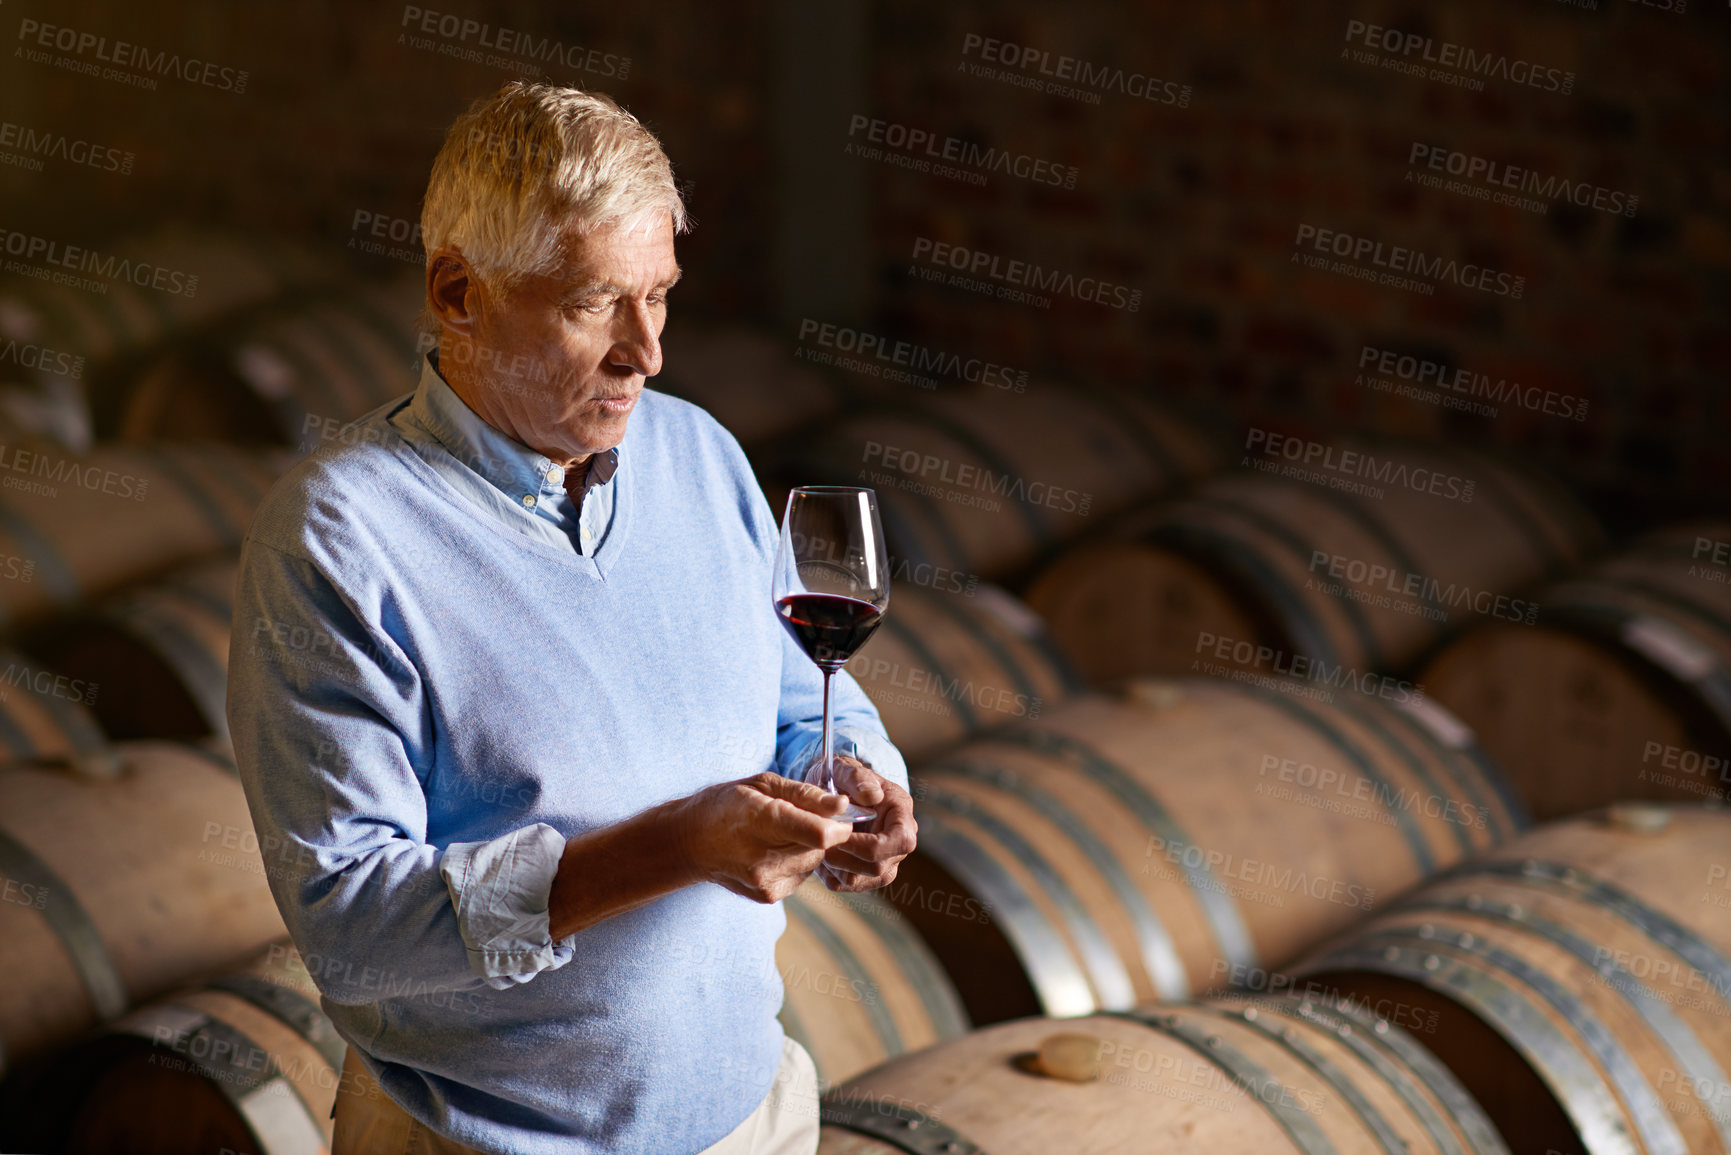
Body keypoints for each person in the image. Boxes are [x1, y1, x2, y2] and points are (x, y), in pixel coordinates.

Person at [226, 80, 917, 1155]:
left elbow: (802, 698)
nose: (646, 351)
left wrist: (863, 777)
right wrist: (677, 847)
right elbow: (353, 924)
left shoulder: (699, 453)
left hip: (756, 1116)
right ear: (458, 293)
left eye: (662, 295)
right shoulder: (338, 535)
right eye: (596, 302)